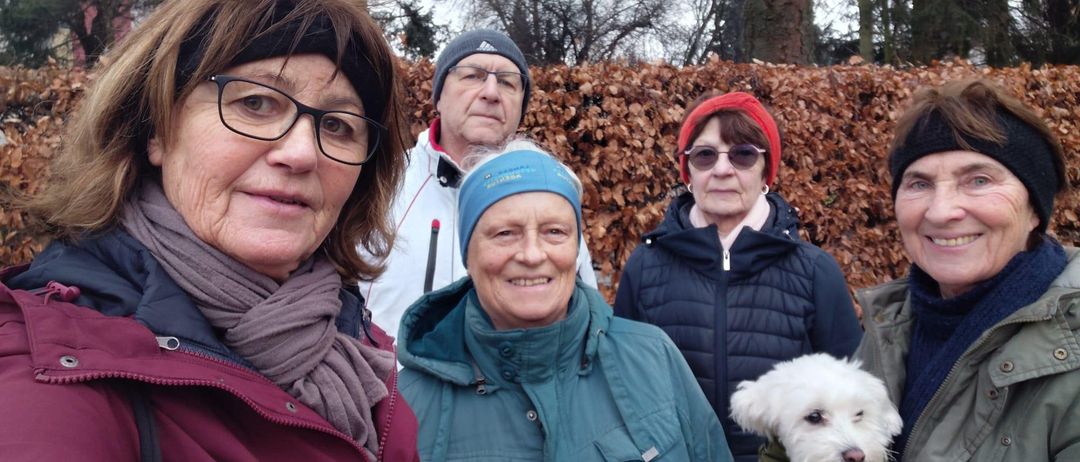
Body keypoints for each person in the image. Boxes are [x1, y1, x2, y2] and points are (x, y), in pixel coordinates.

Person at [0, 1, 419, 460]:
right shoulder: (53, 372)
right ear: (156, 128)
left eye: (338, 126)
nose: (302, 154)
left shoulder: (364, 350)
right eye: (255, 102)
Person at [397, 141, 733, 461]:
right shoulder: (407, 404)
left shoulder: (653, 357)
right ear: (468, 254)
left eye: (554, 231)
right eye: (505, 233)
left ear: (575, 249)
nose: (532, 254)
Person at [613, 91, 863, 461]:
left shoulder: (815, 272)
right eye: (705, 155)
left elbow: (852, 401)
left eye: (744, 154)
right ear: (688, 171)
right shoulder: (646, 266)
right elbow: (624, 390)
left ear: (766, 171)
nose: (722, 169)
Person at [851, 78, 1079, 460]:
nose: (941, 211)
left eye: (978, 180)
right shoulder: (887, 329)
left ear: (1035, 210)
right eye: (919, 183)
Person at [360, 29, 596, 341]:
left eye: (508, 82)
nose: (491, 92)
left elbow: (587, 323)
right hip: (383, 388)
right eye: (472, 76)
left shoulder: (551, 200)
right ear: (439, 97)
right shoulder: (377, 182)